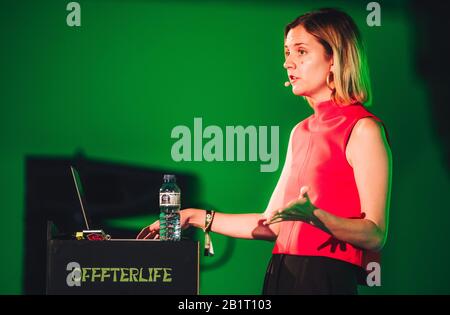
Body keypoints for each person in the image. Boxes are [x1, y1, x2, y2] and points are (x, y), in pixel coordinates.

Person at [137, 8, 392, 295]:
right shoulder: (300, 132)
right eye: (286, 52)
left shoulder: (364, 129)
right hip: (281, 273)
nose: (288, 63)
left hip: (324, 278)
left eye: (301, 52)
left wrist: (317, 217)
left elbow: (375, 234)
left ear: (334, 58)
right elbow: (272, 224)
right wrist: (192, 216)